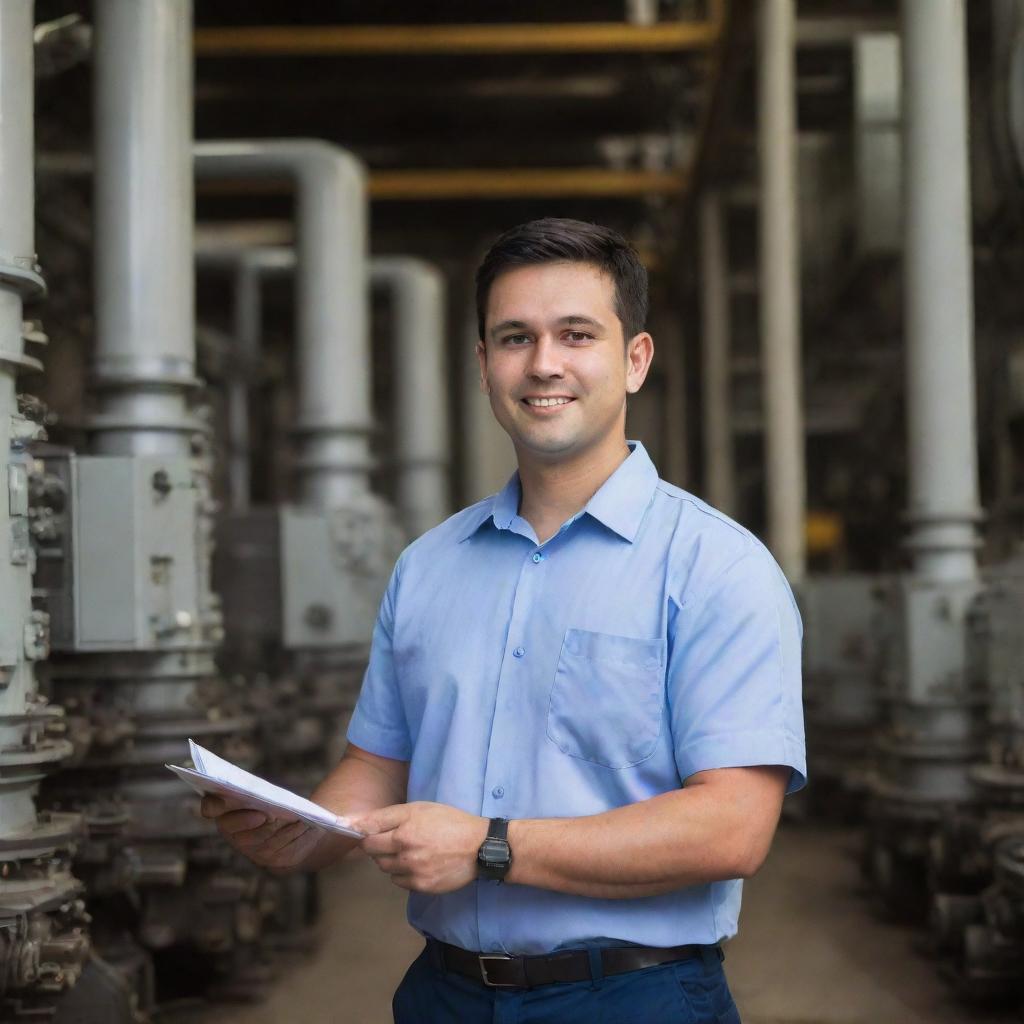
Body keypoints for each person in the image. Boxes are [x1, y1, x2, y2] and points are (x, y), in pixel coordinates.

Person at [202, 217, 805, 1023]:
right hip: (443, 995)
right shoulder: (428, 566)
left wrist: (489, 845)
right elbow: (378, 767)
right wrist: (306, 831)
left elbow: (732, 827)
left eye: (576, 335)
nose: (544, 363)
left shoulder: (717, 568)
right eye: (514, 338)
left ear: (635, 361)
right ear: (484, 366)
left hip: (636, 997)